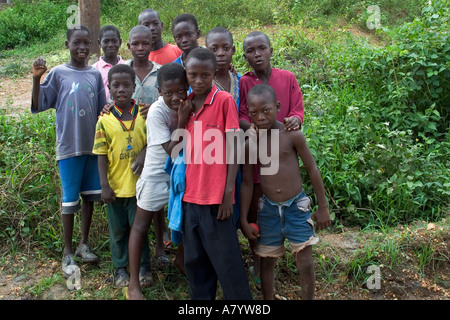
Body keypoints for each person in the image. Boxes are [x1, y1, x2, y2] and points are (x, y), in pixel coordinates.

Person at [239, 84, 331, 300]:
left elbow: (312, 169)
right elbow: (246, 183)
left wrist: (323, 207)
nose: (260, 117)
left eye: (266, 110)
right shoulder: (251, 142)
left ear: (277, 107)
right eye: (254, 113)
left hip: (296, 207)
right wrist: (243, 218)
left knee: (306, 262)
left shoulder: (292, 135)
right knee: (267, 260)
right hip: (268, 209)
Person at [31, 25, 107, 277]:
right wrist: (36, 79)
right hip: (69, 147)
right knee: (69, 201)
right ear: (67, 45)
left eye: (86, 43)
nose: (82, 47)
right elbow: (39, 103)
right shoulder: (59, 73)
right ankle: (67, 251)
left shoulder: (94, 75)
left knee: (89, 198)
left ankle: (84, 243)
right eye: (77, 43)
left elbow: (100, 110)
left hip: (92, 147)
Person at [179, 47, 252, 300]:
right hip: (190, 199)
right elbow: (178, 150)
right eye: (193, 75)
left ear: (213, 75)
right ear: (186, 73)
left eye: (205, 76)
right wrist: (181, 119)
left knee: (229, 267)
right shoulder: (185, 104)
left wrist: (228, 193)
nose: (199, 81)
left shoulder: (223, 101)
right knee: (196, 266)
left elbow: (234, 147)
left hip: (216, 200)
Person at [238, 30, 305, 282]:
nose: (257, 54)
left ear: (271, 50)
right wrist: (253, 129)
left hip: (282, 151)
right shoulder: (245, 82)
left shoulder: (287, 78)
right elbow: (242, 114)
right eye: (250, 51)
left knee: (286, 201)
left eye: (261, 48)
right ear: (244, 55)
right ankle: (260, 262)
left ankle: (288, 252)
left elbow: (298, 109)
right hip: (257, 153)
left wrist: (293, 121)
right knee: (258, 208)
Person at [126, 63, 189, 300]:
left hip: (180, 173)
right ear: (159, 92)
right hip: (156, 174)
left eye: (181, 91)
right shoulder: (157, 112)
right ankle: (133, 283)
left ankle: (181, 259)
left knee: (188, 218)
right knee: (141, 224)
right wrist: (182, 121)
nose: (175, 97)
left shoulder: (190, 103)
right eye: (169, 92)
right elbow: (172, 151)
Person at [92, 64, 151, 288]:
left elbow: (154, 142)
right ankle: (120, 268)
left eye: (126, 85)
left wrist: (144, 153)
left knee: (140, 229)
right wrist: (103, 185)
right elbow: (100, 154)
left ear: (134, 87)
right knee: (117, 231)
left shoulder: (145, 114)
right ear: (109, 88)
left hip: (140, 187)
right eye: (116, 85)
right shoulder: (104, 120)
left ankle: (144, 266)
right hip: (115, 188)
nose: (121, 90)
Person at [205, 26, 242, 227]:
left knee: (235, 195)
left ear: (233, 50)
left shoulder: (239, 80)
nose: (220, 53)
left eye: (225, 47)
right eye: (214, 48)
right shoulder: (202, 84)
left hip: (237, 151)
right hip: (210, 154)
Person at [92, 25, 125, 102]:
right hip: (103, 112)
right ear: (99, 43)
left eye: (114, 41)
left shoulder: (128, 66)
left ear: (120, 42)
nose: (110, 45)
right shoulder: (94, 70)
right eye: (106, 41)